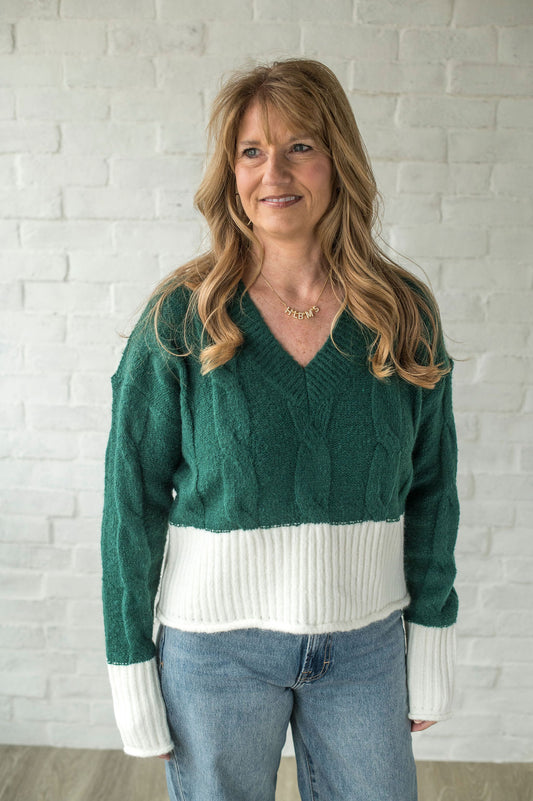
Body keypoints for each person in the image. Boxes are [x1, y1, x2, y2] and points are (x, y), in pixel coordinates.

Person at [101, 58, 460, 801]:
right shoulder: (180, 319)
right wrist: (129, 664)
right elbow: (129, 502)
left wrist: (429, 640)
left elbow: (433, 487)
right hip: (212, 653)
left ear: (337, 161)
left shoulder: (400, 313)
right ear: (229, 171)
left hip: (364, 645)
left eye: (300, 145)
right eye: (250, 151)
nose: (274, 171)